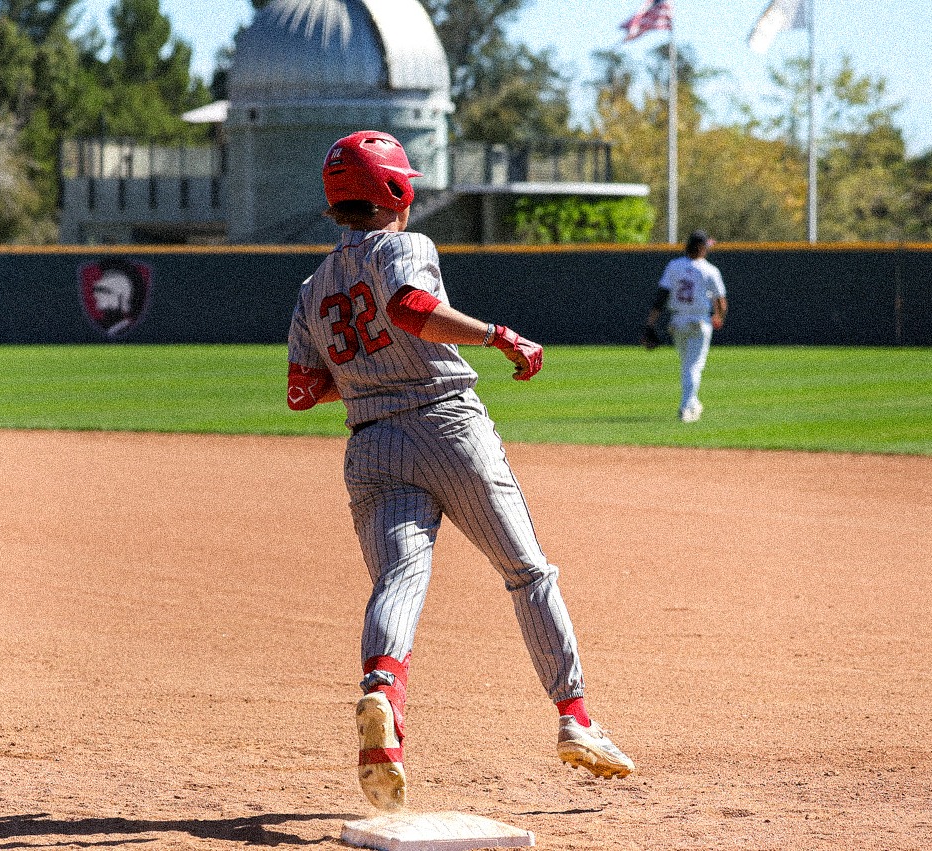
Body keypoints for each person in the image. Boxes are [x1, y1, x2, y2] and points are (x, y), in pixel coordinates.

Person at [286, 130, 634, 812]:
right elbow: (410, 308)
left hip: (372, 443)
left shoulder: (311, 288)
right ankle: (575, 718)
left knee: (398, 580)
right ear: (395, 190)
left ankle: (383, 694)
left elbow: (303, 390)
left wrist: (366, 377)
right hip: (448, 428)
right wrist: (500, 335)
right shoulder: (404, 245)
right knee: (527, 572)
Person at [642, 229, 728, 423]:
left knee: (687, 366)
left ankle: (694, 403)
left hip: (677, 322)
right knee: (693, 367)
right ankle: (686, 407)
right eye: (706, 246)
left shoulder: (674, 265)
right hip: (699, 321)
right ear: (701, 248)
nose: (708, 249)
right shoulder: (709, 270)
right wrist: (719, 317)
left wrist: (651, 323)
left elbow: (661, 297)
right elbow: (721, 302)